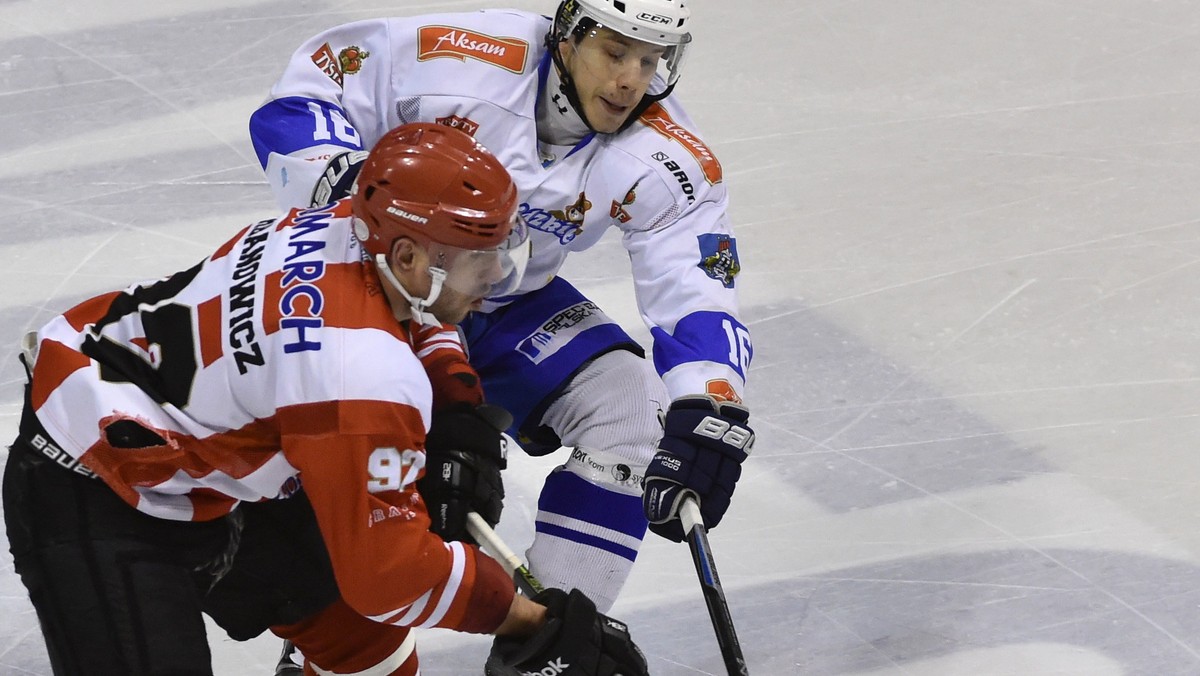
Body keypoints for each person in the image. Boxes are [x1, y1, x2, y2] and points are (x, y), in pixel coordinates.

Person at [2, 122, 648, 676]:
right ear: (408, 255)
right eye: (484, 258)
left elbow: (421, 313)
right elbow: (388, 578)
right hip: (93, 482)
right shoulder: (360, 373)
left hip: (188, 438)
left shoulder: (347, 221)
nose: (499, 277)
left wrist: (454, 404)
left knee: (369, 653)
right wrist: (525, 617)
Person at [249, 0, 755, 613]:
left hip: (503, 296)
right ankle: (332, 649)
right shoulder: (462, 55)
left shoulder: (670, 158)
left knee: (632, 409)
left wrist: (710, 397)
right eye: (615, 52)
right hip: (382, 282)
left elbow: (693, 281)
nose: (631, 81)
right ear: (566, 39)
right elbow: (311, 87)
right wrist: (347, 182)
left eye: (652, 60)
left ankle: (553, 639)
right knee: (364, 460)